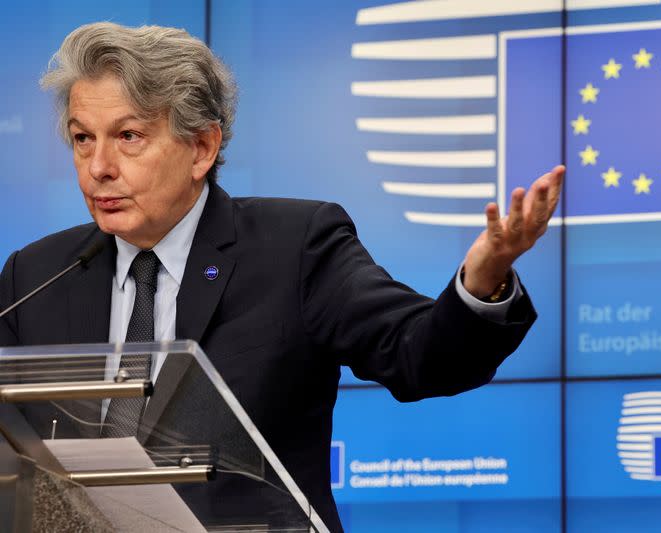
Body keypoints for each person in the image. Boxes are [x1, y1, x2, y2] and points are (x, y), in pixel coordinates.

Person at [0, 22, 564, 532]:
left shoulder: (295, 246)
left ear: (202, 147)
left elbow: (420, 355)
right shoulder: (36, 273)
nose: (99, 166)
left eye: (128, 136)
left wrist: (483, 277)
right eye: (82, 138)